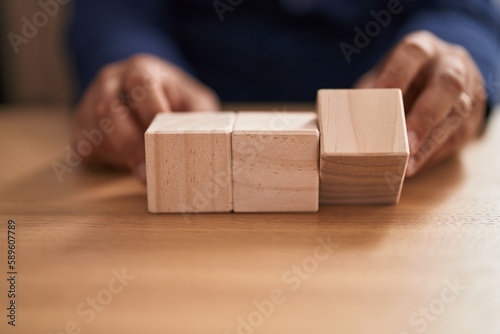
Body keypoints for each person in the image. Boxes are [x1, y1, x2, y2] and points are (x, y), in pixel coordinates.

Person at [68, 0, 500, 183]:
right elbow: (113, 11)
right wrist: (129, 64)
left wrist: (460, 60)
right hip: (188, 120)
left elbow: (467, 9)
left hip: (387, 126)